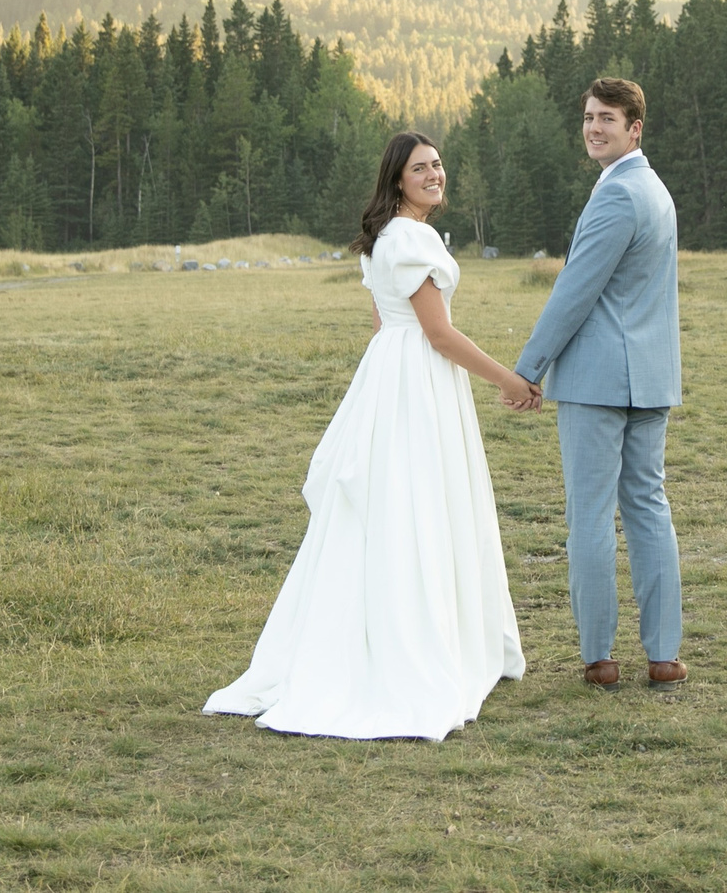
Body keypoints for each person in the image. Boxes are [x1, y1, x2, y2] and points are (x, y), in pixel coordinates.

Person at [204, 132, 535, 739]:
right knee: (421, 501)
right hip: (419, 379)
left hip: (390, 374)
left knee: (393, 503)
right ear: (397, 179)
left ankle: (387, 629)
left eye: (437, 165)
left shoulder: (384, 239)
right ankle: (419, 642)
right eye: (420, 168)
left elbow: (386, 324)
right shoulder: (411, 238)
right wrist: (508, 379)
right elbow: (437, 333)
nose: (434, 175)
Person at [512, 77, 686, 690]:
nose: (593, 128)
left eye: (607, 118)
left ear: (634, 129)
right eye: (588, 117)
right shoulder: (656, 190)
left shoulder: (617, 195)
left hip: (597, 380)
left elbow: (574, 292)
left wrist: (527, 369)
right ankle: (663, 655)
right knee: (648, 508)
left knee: (589, 514)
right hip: (651, 377)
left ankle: (600, 658)